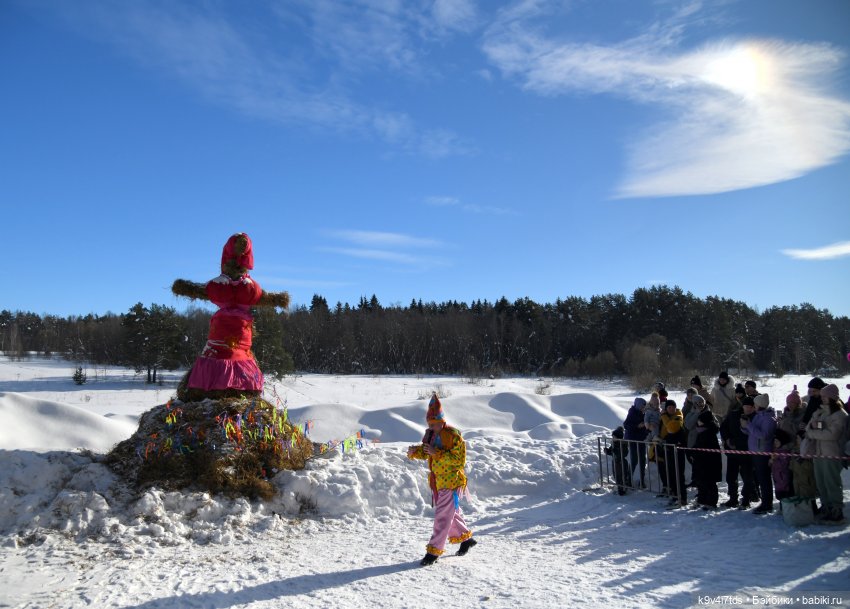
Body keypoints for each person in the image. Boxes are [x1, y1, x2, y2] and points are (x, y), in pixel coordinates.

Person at [407, 394, 476, 566]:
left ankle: (433, 551)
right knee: (451, 512)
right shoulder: (431, 435)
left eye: (434, 423)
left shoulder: (453, 435)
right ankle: (466, 539)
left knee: (443, 516)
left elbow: (459, 461)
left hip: (452, 482)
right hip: (438, 481)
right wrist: (416, 452)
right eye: (429, 424)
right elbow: (427, 452)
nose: (431, 426)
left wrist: (436, 453)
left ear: (441, 421)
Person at [805, 384, 848, 523]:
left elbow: (832, 434)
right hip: (818, 453)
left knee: (831, 483)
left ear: (832, 397)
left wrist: (814, 433)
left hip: (832, 454)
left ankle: (836, 510)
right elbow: (809, 427)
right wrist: (815, 427)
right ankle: (826, 507)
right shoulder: (821, 412)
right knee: (821, 483)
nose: (822, 398)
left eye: (825, 396)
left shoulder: (840, 415)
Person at [720, 396, 756, 508]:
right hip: (732, 452)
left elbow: (752, 435)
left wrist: (735, 442)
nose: (748, 408)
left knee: (747, 477)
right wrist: (727, 439)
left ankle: (746, 499)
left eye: (750, 407)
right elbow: (723, 428)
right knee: (731, 477)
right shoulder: (733, 414)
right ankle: (733, 498)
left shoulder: (755, 418)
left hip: (746, 452)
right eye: (746, 406)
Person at [742, 393, 776, 514]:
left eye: (755, 404)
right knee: (760, 479)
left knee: (764, 479)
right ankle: (765, 502)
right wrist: (744, 426)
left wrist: (749, 425)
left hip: (763, 452)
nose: (754, 406)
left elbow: (764, 435)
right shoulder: (757, 416)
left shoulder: (768, 419)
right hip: (755, 451)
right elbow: (753, 432)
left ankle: (767, 504)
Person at [692, 410, 722, 509]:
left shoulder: (709, 432)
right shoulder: (702, 431)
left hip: (709, 463)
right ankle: (702, 499)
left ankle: (711, 502)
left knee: (710, 483)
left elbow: (705, 448)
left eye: (700, 420)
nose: (698, 422)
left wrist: (695, 452)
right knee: (701, 482)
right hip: (701, 462)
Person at [660, 400, 687, 507]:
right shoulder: (666, 417)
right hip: (669, 449)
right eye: (669, 407)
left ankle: (682, 498)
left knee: (679, 475)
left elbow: (671, 428)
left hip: (678, 450)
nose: (671, 409)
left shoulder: (678, 416)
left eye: (673, 407)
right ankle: (675, 495)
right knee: (671, 474)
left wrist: (663, 416)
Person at [623, 397, 648, 488]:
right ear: (638, 405)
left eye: (644, 406)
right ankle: (628, 480)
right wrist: (637, 426)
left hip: (641, 439)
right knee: (634, 460)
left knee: (642, 460)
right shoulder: (632, 412)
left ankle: (642, 481)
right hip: (633, 439)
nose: (643, 408)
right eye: (642, 406)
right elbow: (626, 425)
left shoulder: (643, 413)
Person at [771, 428, 795, 507]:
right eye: (774, 441)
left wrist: (774, 460)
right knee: (779, 492)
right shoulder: (776, 451)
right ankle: (782, 506)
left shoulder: (784, 452)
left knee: (784, 493)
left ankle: (786, 507)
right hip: (777, 477)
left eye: (777, 441)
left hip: (783, 477)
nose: (775, 443)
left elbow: (783, 465)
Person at [605, 426, 631, 495]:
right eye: (612, 437)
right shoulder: (613, 444)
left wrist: (615, 451)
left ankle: (622, 489)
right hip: (615, 461)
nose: (613, 438)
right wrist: (608, 451)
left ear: (619, 437)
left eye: (614, 437)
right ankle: (619, 487)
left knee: (622, 476)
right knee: (616, 475)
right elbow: (611, 452)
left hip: (621, 462)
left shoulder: (623, 444)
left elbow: (623, 453)